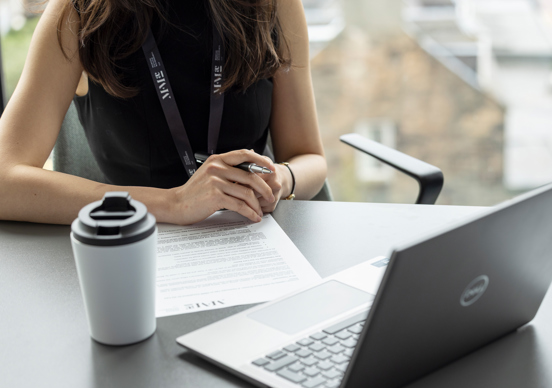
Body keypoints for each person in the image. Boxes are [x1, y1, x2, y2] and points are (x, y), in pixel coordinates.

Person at [0, 0, 327, 225]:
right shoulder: (79, 11)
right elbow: (4, 181)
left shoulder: (271, 6)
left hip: (254, 243)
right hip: (137, 253)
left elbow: (310, 157)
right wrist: (175, 204)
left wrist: (282, 180)